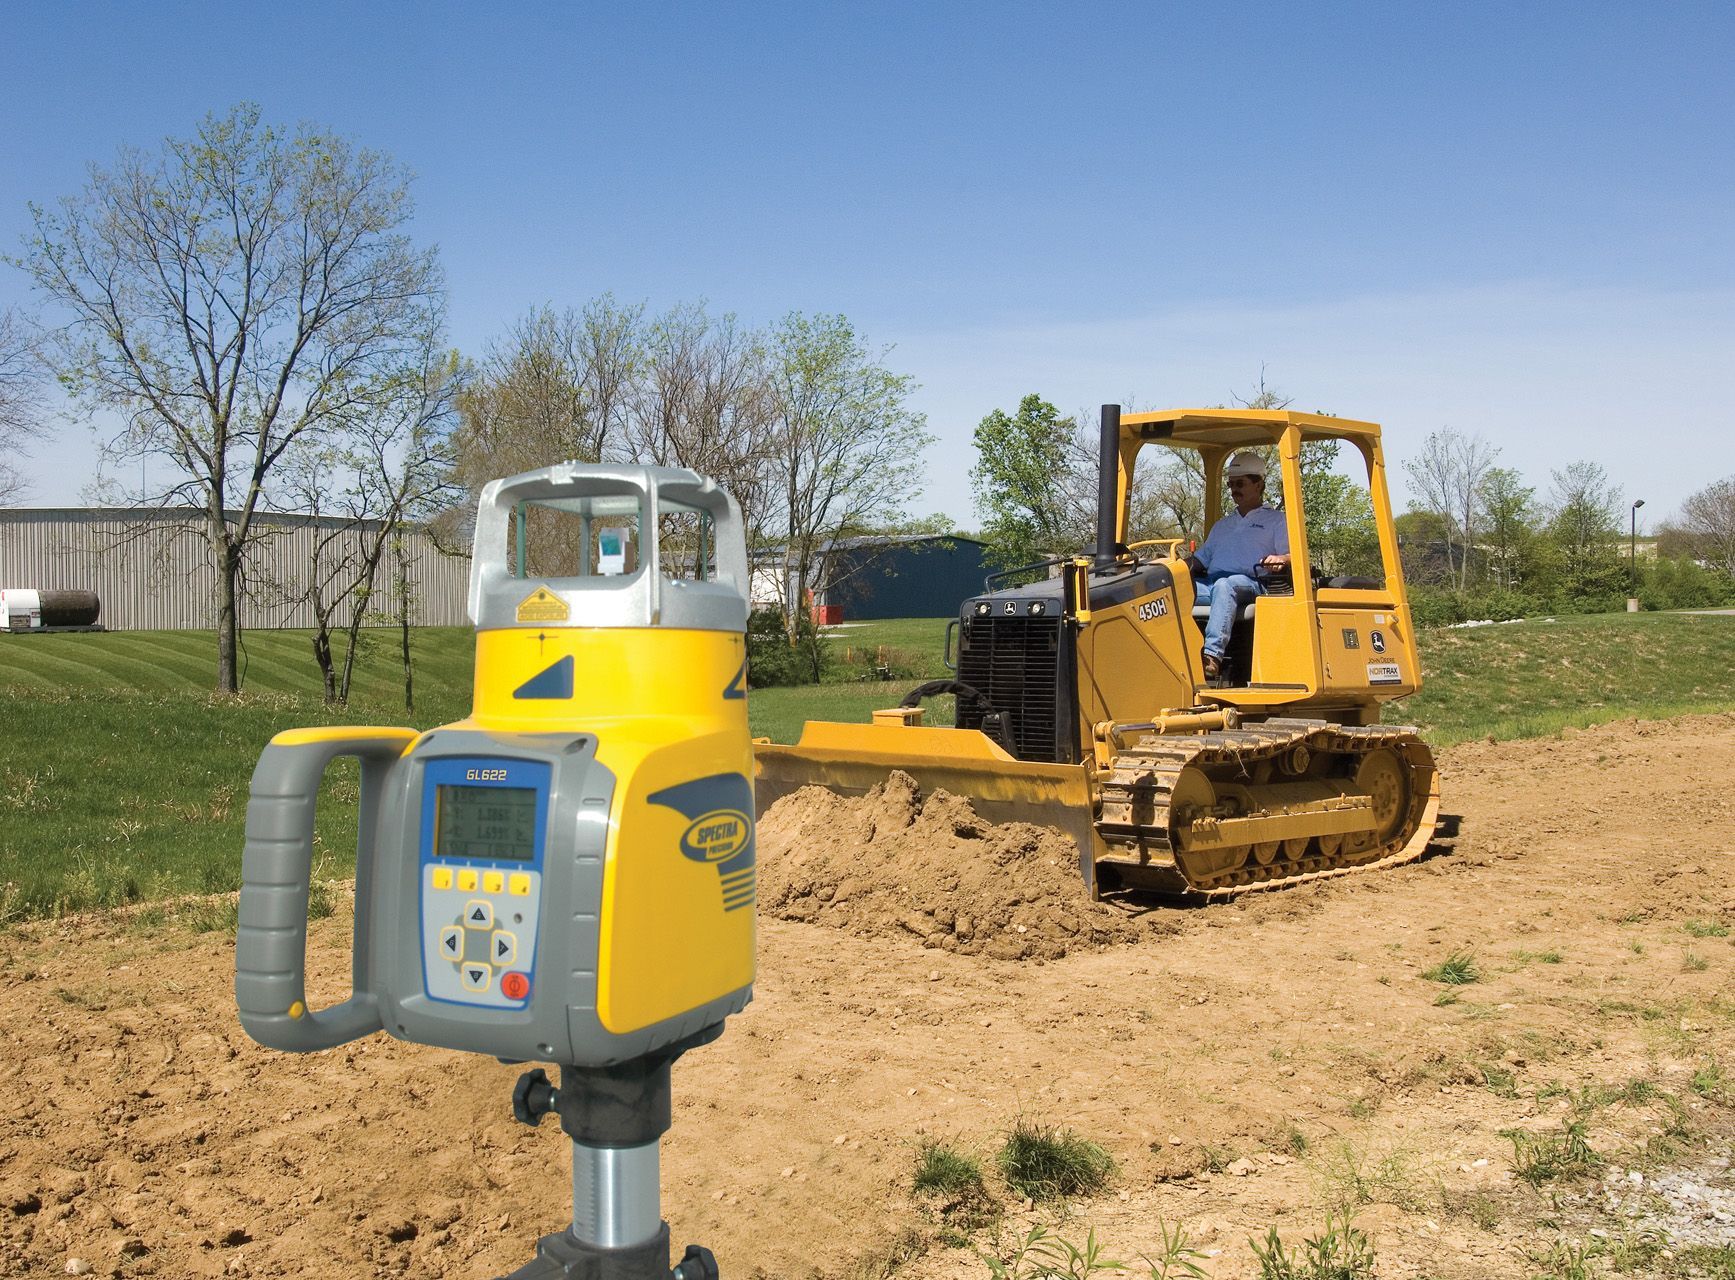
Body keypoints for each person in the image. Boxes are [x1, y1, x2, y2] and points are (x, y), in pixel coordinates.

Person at [1185, 452, 1291, 680]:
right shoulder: (1223, 525)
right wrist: (1171, 569)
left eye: (1240, 484)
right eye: (1231, 484)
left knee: (1226, 585)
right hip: (1211, 584)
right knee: (1170, 591)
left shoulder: (1277, 521)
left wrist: (1282, 559)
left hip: (1251, 583)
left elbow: (1292, 556)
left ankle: (1212, 655)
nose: (1234, 489)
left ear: (1258, 484)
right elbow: (1201, 559)